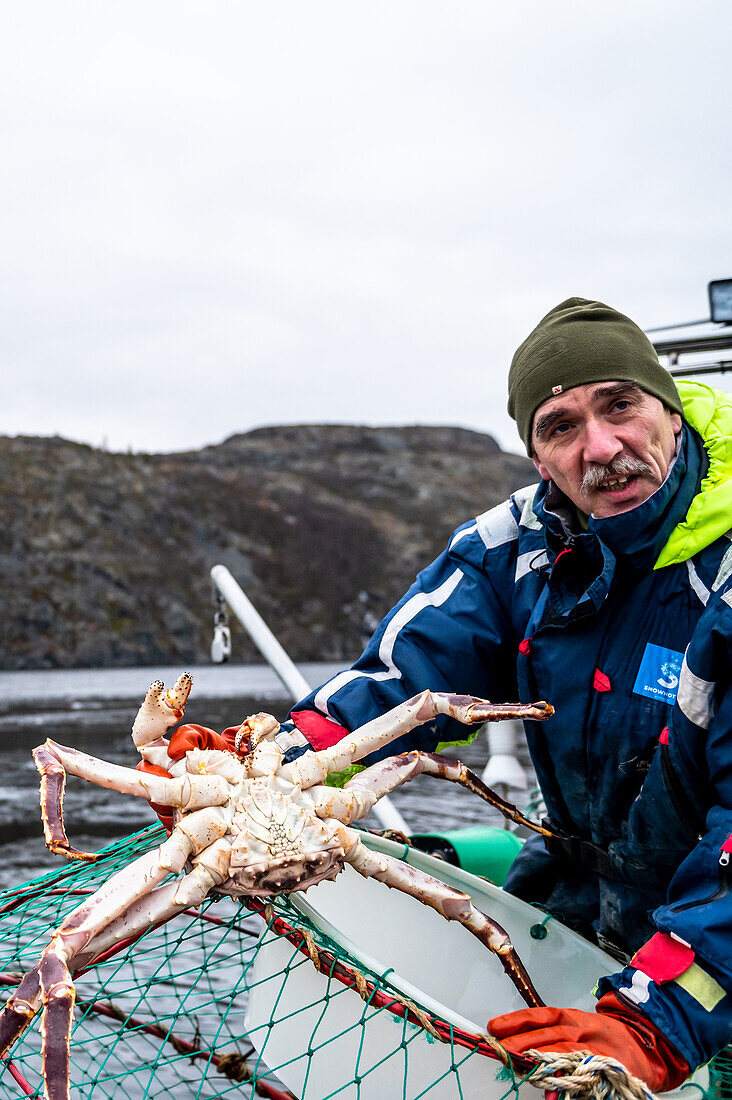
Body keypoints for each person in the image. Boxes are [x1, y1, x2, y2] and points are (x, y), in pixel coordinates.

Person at [280, 298, 732, 1090]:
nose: (602, 447)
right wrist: (277, 763)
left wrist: (659, 1021)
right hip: (578, 886)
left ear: (667, 407)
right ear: (537, 456)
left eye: (619, 406)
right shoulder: (508, 548)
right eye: (561, 426)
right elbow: (402, 681)